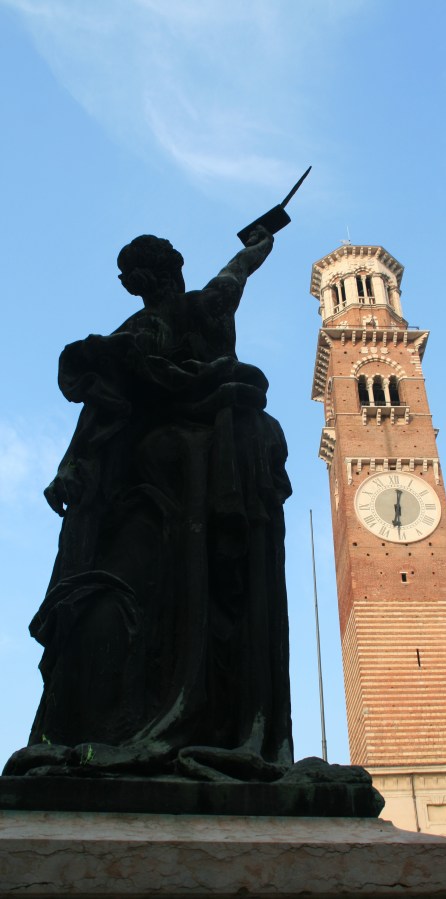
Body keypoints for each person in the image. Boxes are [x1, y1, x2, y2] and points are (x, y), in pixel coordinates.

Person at [5, 227, 294, 781]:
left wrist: (261, 242)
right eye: (142, 277)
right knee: (106, 598)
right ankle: (101, 732)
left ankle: (189, 722)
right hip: (150, 486)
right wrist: (71, 466)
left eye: (149, 274)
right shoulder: (148, 327)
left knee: (202, 599)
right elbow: (100, 410)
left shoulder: (191, 311)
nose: (148, 284)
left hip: (200, 476)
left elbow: (239, 269)